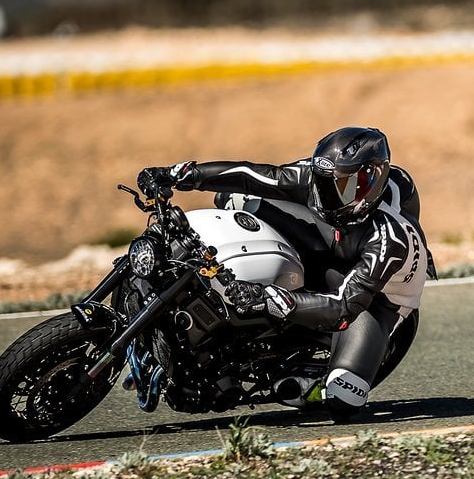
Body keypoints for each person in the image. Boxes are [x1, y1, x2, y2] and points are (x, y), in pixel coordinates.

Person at [137, 126, 432, 421]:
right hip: (335, 245)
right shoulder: (323, 178)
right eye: (322, 182)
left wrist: (266, 297)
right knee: (235, 197)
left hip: (375, 302)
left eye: (339, 187)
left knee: (343, 398)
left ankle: (311, 384)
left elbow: (342, 309)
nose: (324, 193)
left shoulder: (391, 239)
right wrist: (180, 175)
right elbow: (255, 175)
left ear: (369, 183)